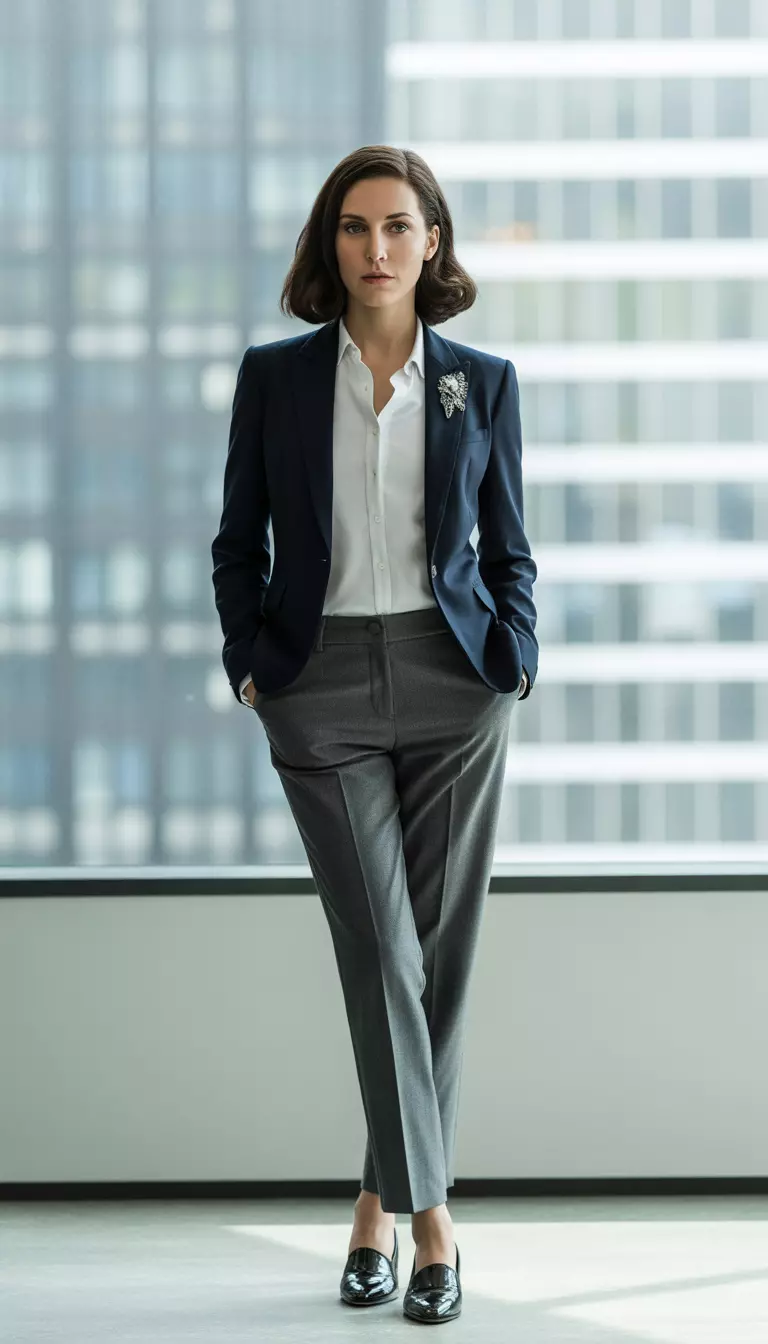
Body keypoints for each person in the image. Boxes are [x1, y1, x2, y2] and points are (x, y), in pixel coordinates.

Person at [211, 144, 538, 1325]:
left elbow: (509, 549)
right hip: (322, 681)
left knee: (436, 958)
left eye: (400, 226)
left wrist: (516, 661)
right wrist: (254, 669)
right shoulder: (278, 377)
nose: (378, 248)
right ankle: (436, 1228)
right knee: (382, 952)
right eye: (355, 228)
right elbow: (236, 540)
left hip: (458, 681)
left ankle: (372, 1207)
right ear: (329, 245)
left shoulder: (482, 382)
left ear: (433, 242)